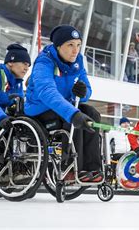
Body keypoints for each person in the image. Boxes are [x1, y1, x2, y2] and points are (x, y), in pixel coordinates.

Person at [25, 25, 102, 182]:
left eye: (79, 45)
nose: (76, 50)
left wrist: (83, 91)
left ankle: (92, 168)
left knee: (92, 114)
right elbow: (47, 92)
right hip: (40, 108)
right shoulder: (44, 62)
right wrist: (73, 113)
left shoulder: (78, 61)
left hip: (64, 106)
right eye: (70, 45)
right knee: (73, 118)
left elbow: (87, 90)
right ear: (58, 46)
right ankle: (71, 168)